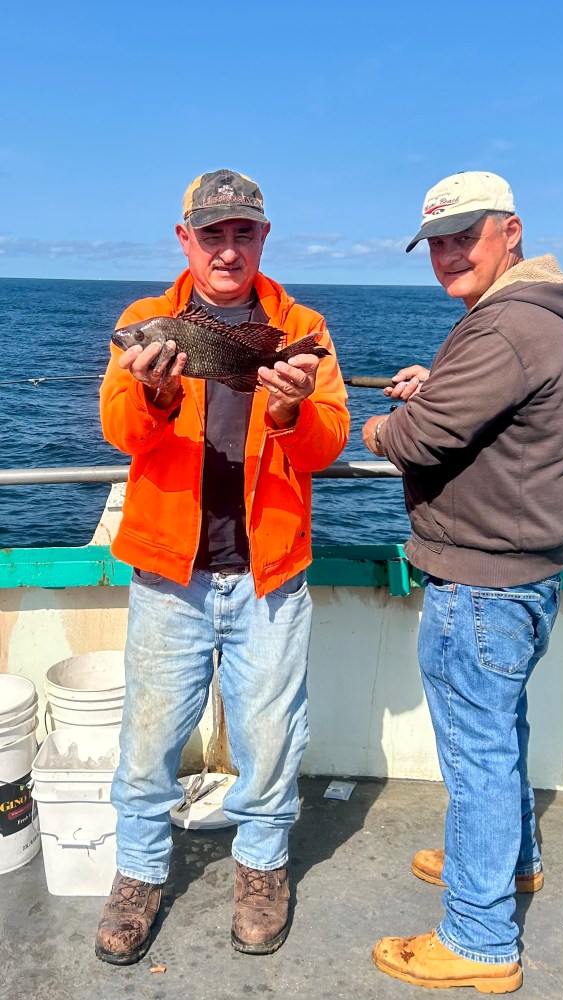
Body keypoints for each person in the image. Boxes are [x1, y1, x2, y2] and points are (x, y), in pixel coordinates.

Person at [96, 169, 349, 966]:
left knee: (270, 737)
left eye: (243, 232)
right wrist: (157, 398)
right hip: (169, 575)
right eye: (213, 234)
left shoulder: (302, 327)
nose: (228, 248)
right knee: (147, 737)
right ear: (186, 241)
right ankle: (137, 874)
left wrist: (286, 410)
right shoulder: (146, 323)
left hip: (270, 574)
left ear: (263, 238)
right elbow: (118, 429)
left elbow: (329, 440)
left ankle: (262, 869)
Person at [363, 171, 563, 993]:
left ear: (512, 231)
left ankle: (477, 938)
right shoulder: (541, 319)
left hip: (480, 582)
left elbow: (418, 441)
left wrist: (382, 422)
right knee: (500, 737)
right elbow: (489, 413)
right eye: (436, 241)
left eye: (466, 234)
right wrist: (437, 389)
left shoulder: (501, 328)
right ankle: (509, 860)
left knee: (478, 758)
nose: (449, 253)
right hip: (521, 576)